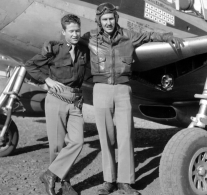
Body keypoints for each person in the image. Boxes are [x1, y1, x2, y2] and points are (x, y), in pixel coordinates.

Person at [43, 3, 184, 195]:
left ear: (116, 18)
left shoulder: (129, 35)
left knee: (126, 135)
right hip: (101, 90)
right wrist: (50, 65)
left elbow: (150, 35)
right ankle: (108, 181)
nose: (108, 23)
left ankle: (126, 182)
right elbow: (70, 42)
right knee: (106, 137)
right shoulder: (89, 37)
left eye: (111, 18)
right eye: (104, 19)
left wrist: (168, 37)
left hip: (123, 90)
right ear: (99, 21)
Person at [25, 14, 90, 195]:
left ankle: (51, 174)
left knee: (77, 142)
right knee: (56, 146)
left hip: (76, 102)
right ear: (64, 32)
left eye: (77, 30)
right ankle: (65, 183)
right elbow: (30, 65)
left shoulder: (84, 51)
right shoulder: (53, 49)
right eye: (71, 31)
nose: (75, 34)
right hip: (57, 100)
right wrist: (46, 80)